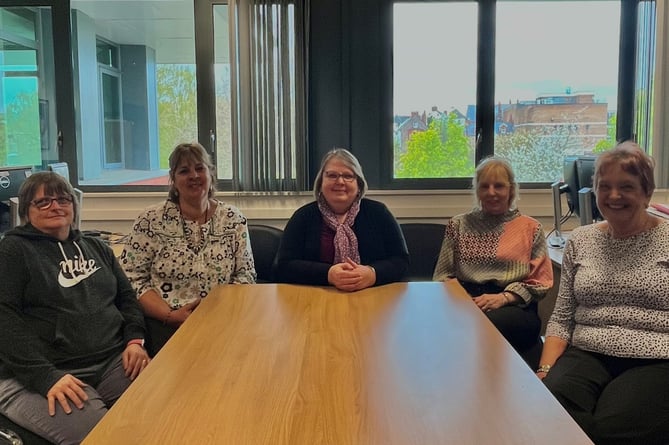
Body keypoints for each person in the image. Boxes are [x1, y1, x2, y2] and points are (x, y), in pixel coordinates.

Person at [0, 172, 149, 444]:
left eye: (62, 199)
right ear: (25, 211)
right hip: (43, 372)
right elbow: (4, 320)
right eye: (43, 202)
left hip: (110, 362)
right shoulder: (13, 251)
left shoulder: (96, 247)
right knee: (109, 436)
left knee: (163, 407)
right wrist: (46, 377)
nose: (55, 206)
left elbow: (127, 298)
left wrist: (134, 341)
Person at [538, 142, 669, 444]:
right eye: (604, 186)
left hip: (654, 358)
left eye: (626, 186)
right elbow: (561, 315)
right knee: (550, 409)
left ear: (647, 192)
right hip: (587, 352)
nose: (613, 196)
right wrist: (545, 370)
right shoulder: (580, 240)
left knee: (613, 427)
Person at [120, 142, 256, 356]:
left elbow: (245, 275)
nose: (193, 175)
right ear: (173, 180)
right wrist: (169, 315)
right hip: (165, 325)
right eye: (184, 171)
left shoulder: (233, 219)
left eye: (200, 168)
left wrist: (216, 312)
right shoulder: (150, 221)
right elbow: (131, 279)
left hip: (223, 321)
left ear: (210, 174)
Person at [433, 156, 553, 365]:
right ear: (477, 190)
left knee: (480, 325)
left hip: (515, 306)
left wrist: (504, 298)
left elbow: (542, 283)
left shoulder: (531, 228)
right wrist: (464, 299)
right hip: (466, 300)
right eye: (484, 186)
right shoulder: (458, 225)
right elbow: (442, 275)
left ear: (511, 189)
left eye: (499, 186)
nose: (491, 193)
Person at [275, 148, 409, 290]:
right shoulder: (303, 217)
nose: (340, 181)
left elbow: (402, 261)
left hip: (373, 297)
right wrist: (328, 274)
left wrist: (372, 274)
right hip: (316, 299)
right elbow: (283, 266)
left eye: (348, 176)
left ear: (359, 185)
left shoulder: (379, 213)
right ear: (320, 183)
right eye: (332, 175)